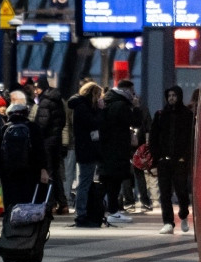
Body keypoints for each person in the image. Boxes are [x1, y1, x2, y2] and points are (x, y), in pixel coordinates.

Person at [149, 85, 194, 235]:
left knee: (181, 191)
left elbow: (190, 138)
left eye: (174, 95)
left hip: (180, 161)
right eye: (169, 95)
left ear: (179, 96)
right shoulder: (161, 114)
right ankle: (168, 222)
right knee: (165, 192)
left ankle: (183, 214)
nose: (172, 98)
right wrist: (156, 158)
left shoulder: (187, 115)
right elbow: (153, 138)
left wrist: (185, 157)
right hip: (164, 161)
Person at [0, 103, 48, 216]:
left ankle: (10, 229)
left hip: (8, 174)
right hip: (30, 173)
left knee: (11, 203)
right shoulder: (34, 128)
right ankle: (28, 230)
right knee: (28, 202)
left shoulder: (3, 129)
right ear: (26, 113)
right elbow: (40, 150)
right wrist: (43, 168)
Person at [98, 80, 140, 224]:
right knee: (115, 181)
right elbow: (135, 121)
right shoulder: (121, 105)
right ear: (127, 90)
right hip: (118, 148)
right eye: (132, 92)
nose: (133, 95)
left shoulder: (109, 101)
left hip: (108, 147)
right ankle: (113, 211)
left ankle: (108, 209)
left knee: (109, 181)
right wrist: (135, 107)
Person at [69, 82, 104, 227]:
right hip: (87, 150)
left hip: (84, 148)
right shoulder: (83, 108)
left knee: (85, 181)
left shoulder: (80, 106)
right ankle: (81, 214)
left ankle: (83, 212)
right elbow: (93, 123)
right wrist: (101, 110)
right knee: (84, 182)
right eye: (98, 95)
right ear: (93, 94)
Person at [32, 78, 69, 215]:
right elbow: (63, 121)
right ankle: (63, 203)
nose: (36, 91)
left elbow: (42, 123)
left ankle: (51, 203)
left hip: (46, 142)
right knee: (56, 172)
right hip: (56, 140)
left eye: (37, 88)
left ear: (41, 88)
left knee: (48, 172)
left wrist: (37, 137)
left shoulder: (45, 101)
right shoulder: (58, 100)